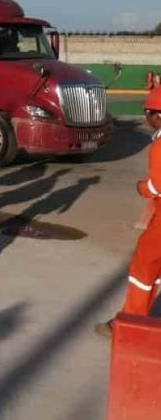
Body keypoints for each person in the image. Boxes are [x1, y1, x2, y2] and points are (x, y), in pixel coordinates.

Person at [95, 87, 161, 337]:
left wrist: (142, 188)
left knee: (143, 267)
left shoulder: (159, 147)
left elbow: (157, 186)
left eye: (147, 112)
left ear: (156, 114)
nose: (146, 117)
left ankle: (132, 321)